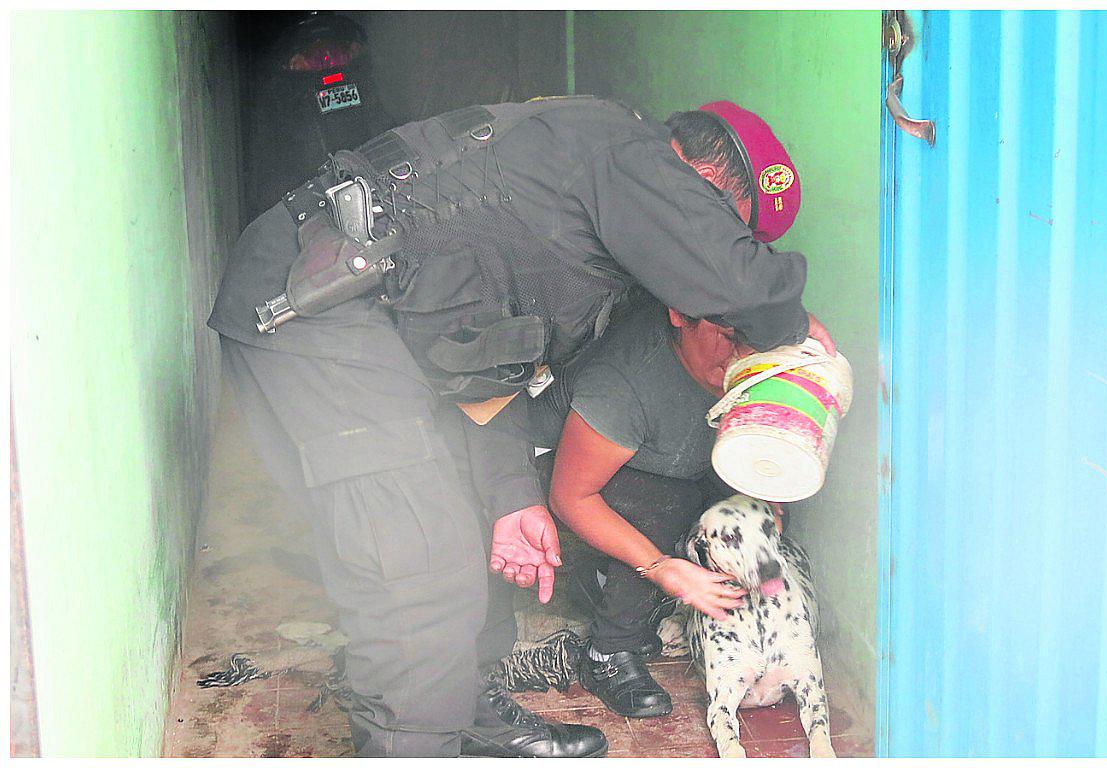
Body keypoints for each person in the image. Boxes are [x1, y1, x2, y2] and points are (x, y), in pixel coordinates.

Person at [207, 94, 834, 757]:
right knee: (417, 569)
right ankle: (416, 743)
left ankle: (460, 710)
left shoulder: (586, 228)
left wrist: (512, 497)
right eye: (720, 229)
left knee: (467, 517)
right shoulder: (623, 152)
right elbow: (745, 285)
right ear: (696, 184)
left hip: (378, 326)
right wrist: (794, 332)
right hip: (312, 308)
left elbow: (488, 363)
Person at [525, 296, 788, 719]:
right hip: (550, 482)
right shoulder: (626, 381)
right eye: (727, 337)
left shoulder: (747, 360)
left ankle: (602, 582)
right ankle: (609, 651)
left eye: (754, 340)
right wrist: (660, 567)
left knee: (740, 505)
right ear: (680, 314)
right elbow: (570, 497)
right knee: (670, 502)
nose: (743, 354)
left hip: (657, 463)